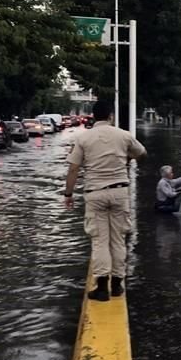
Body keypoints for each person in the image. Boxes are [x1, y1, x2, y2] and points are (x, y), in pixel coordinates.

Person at [63, 100, 146, 302]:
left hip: (95, 193)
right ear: (111, 116)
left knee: (100, 240)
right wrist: (126, 160)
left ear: (93, 117)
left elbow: (73, 168)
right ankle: (117, 284)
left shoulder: (83, 138)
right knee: (118, 239)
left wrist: (68, 194)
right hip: (120, 192)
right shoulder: (123, 135)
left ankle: (102, 288)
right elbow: (142, 153)